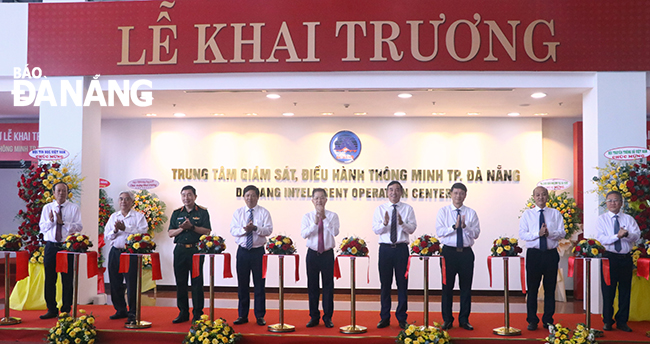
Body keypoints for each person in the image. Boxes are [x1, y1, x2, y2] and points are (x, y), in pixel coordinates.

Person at [372, 181, 417, 329]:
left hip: (401, 249)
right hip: (385, 249)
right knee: (385, 285)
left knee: (402, 284)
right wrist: (385, 224)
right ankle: (384, 317)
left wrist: (402, 223)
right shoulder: (380, 209)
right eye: (391, 190)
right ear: (387, 192)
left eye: (397, 190)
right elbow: (376, 230)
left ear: (401, 192)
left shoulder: (408, 209)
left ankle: (402, 318)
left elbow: (411, 229)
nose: (394, 192)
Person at [436, 182, 480, 331]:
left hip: (466, 254)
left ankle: (464, 320)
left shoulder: (471, 213)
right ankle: (447, 320)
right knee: (447, 288)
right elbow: (440, 232)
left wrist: (465, 226)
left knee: (466, 288)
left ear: (465, 195)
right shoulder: (443, 212)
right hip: (448, 253)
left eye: (461, 193)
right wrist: (454, 227)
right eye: (455, 193)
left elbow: (476, 234)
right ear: (450, 194)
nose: (458, 196)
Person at [519, 186, 564, 331]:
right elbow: (523, 234)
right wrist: (537, 234)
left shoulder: (555, 213)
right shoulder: (528, 215)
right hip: (534, 255)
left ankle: (548, 320)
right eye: (537, 195)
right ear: (534, 197)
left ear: (547, 197)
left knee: (550, 288)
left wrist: (549, 233)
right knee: (532, 289)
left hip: (550, 254)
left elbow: (562, 233)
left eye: (543, 195)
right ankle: (532, 320)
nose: (541, 197)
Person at [596, 191, 640, 332]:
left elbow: (636, 236)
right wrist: (617, 236)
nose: (613, 203)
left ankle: (622, 321)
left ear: (621, 203)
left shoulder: (628, 219)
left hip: (625, 258)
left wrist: (626, 234)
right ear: (606, 203)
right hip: (609, 258)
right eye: (610, 200)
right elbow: (602, 239)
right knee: (608, 290)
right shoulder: (602, 220)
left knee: (625, 291)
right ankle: (608, 321)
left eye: (616, 200)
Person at [38, 182, 82, 319]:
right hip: (51, 246)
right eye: (59, 191)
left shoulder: (73, 208)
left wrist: (63, 223)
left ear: (68, 192)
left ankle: (65, 309)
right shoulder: (47, 208)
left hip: (66, 247)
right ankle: (51, 309)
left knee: (67, 279)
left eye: (64, 191)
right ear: (53, 192)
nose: (61, 193)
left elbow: (79, 227)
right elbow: (42, 228)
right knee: (50, 278)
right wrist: (51, 221)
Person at [230, 185, 273, 326]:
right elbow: (233, 230)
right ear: (244, 197)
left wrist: (255, 228)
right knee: (242, 284)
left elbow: (268, 230)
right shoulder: (238, 213)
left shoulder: (264, 212)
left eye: (253, 195)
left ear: (258, 197)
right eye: (247, 195)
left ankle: (260, 315)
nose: (250, 198)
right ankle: (242, 315)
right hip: (242, 251)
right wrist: (245, 230)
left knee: (259, 285)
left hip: (258, 252)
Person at [168, 185, 212, 323]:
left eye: (189, 195)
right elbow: (170, 233)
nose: (186, 198)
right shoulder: (176, 213)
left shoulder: (203, 212)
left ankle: (198, 313)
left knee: (197, 283)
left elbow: (207, 231)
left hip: (196, 251)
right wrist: (182, 229)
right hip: (180, 250)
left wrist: (192, 227)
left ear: (195, 197)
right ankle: (183, 312)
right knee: (180, 282)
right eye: (183, 195)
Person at [104, 191, 148, 325]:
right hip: (115, 252)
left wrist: (126, 228)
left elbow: (143, 232)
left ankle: (133, 312)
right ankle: (120, 309)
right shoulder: (113, 217)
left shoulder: (139, 216)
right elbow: (107, 235)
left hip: (130, 253)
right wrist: (116, 231)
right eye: (121, 199)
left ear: (132, 202)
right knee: (115, 282)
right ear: (118, 201)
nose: (124, 202)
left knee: (131, 283)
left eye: (127, 199)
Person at [300, 188, 340, 328]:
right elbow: (304, 234)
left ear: (326, 199)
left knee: (328, 287)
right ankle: (314, 317)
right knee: (313, 287)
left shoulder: (333, 216)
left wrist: (324, 219)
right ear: (312, 200)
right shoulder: (307, 217)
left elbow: (335, 232)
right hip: (312, 254)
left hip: (327, 254)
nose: (319, 200)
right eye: (316, 198)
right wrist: (315, 223)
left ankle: (328, 317)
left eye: (322, 198)